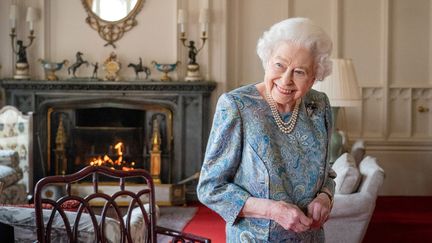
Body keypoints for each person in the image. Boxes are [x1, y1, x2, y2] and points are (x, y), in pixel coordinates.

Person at [197, 17, 336, 242]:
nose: (286, 79)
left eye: (299, 72)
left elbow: (327, 173)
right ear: (267, 60)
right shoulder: (237, 106)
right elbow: (210, 188)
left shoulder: (319, 106)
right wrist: (272, 210)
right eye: (279, 65)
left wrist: (325, 197)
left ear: (313, 77)